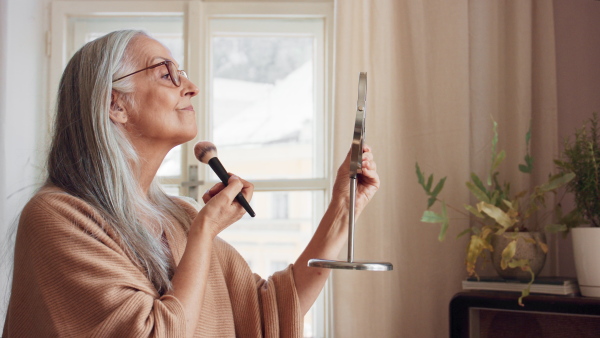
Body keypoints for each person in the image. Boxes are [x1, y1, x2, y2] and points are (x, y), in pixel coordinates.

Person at [2, 30, 380, 337]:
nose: (191, 86)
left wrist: (343, 209)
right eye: (166, 73)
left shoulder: (178, 216)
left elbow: (270, 313)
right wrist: (204, 230)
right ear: (115, 105)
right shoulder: (57, 217)